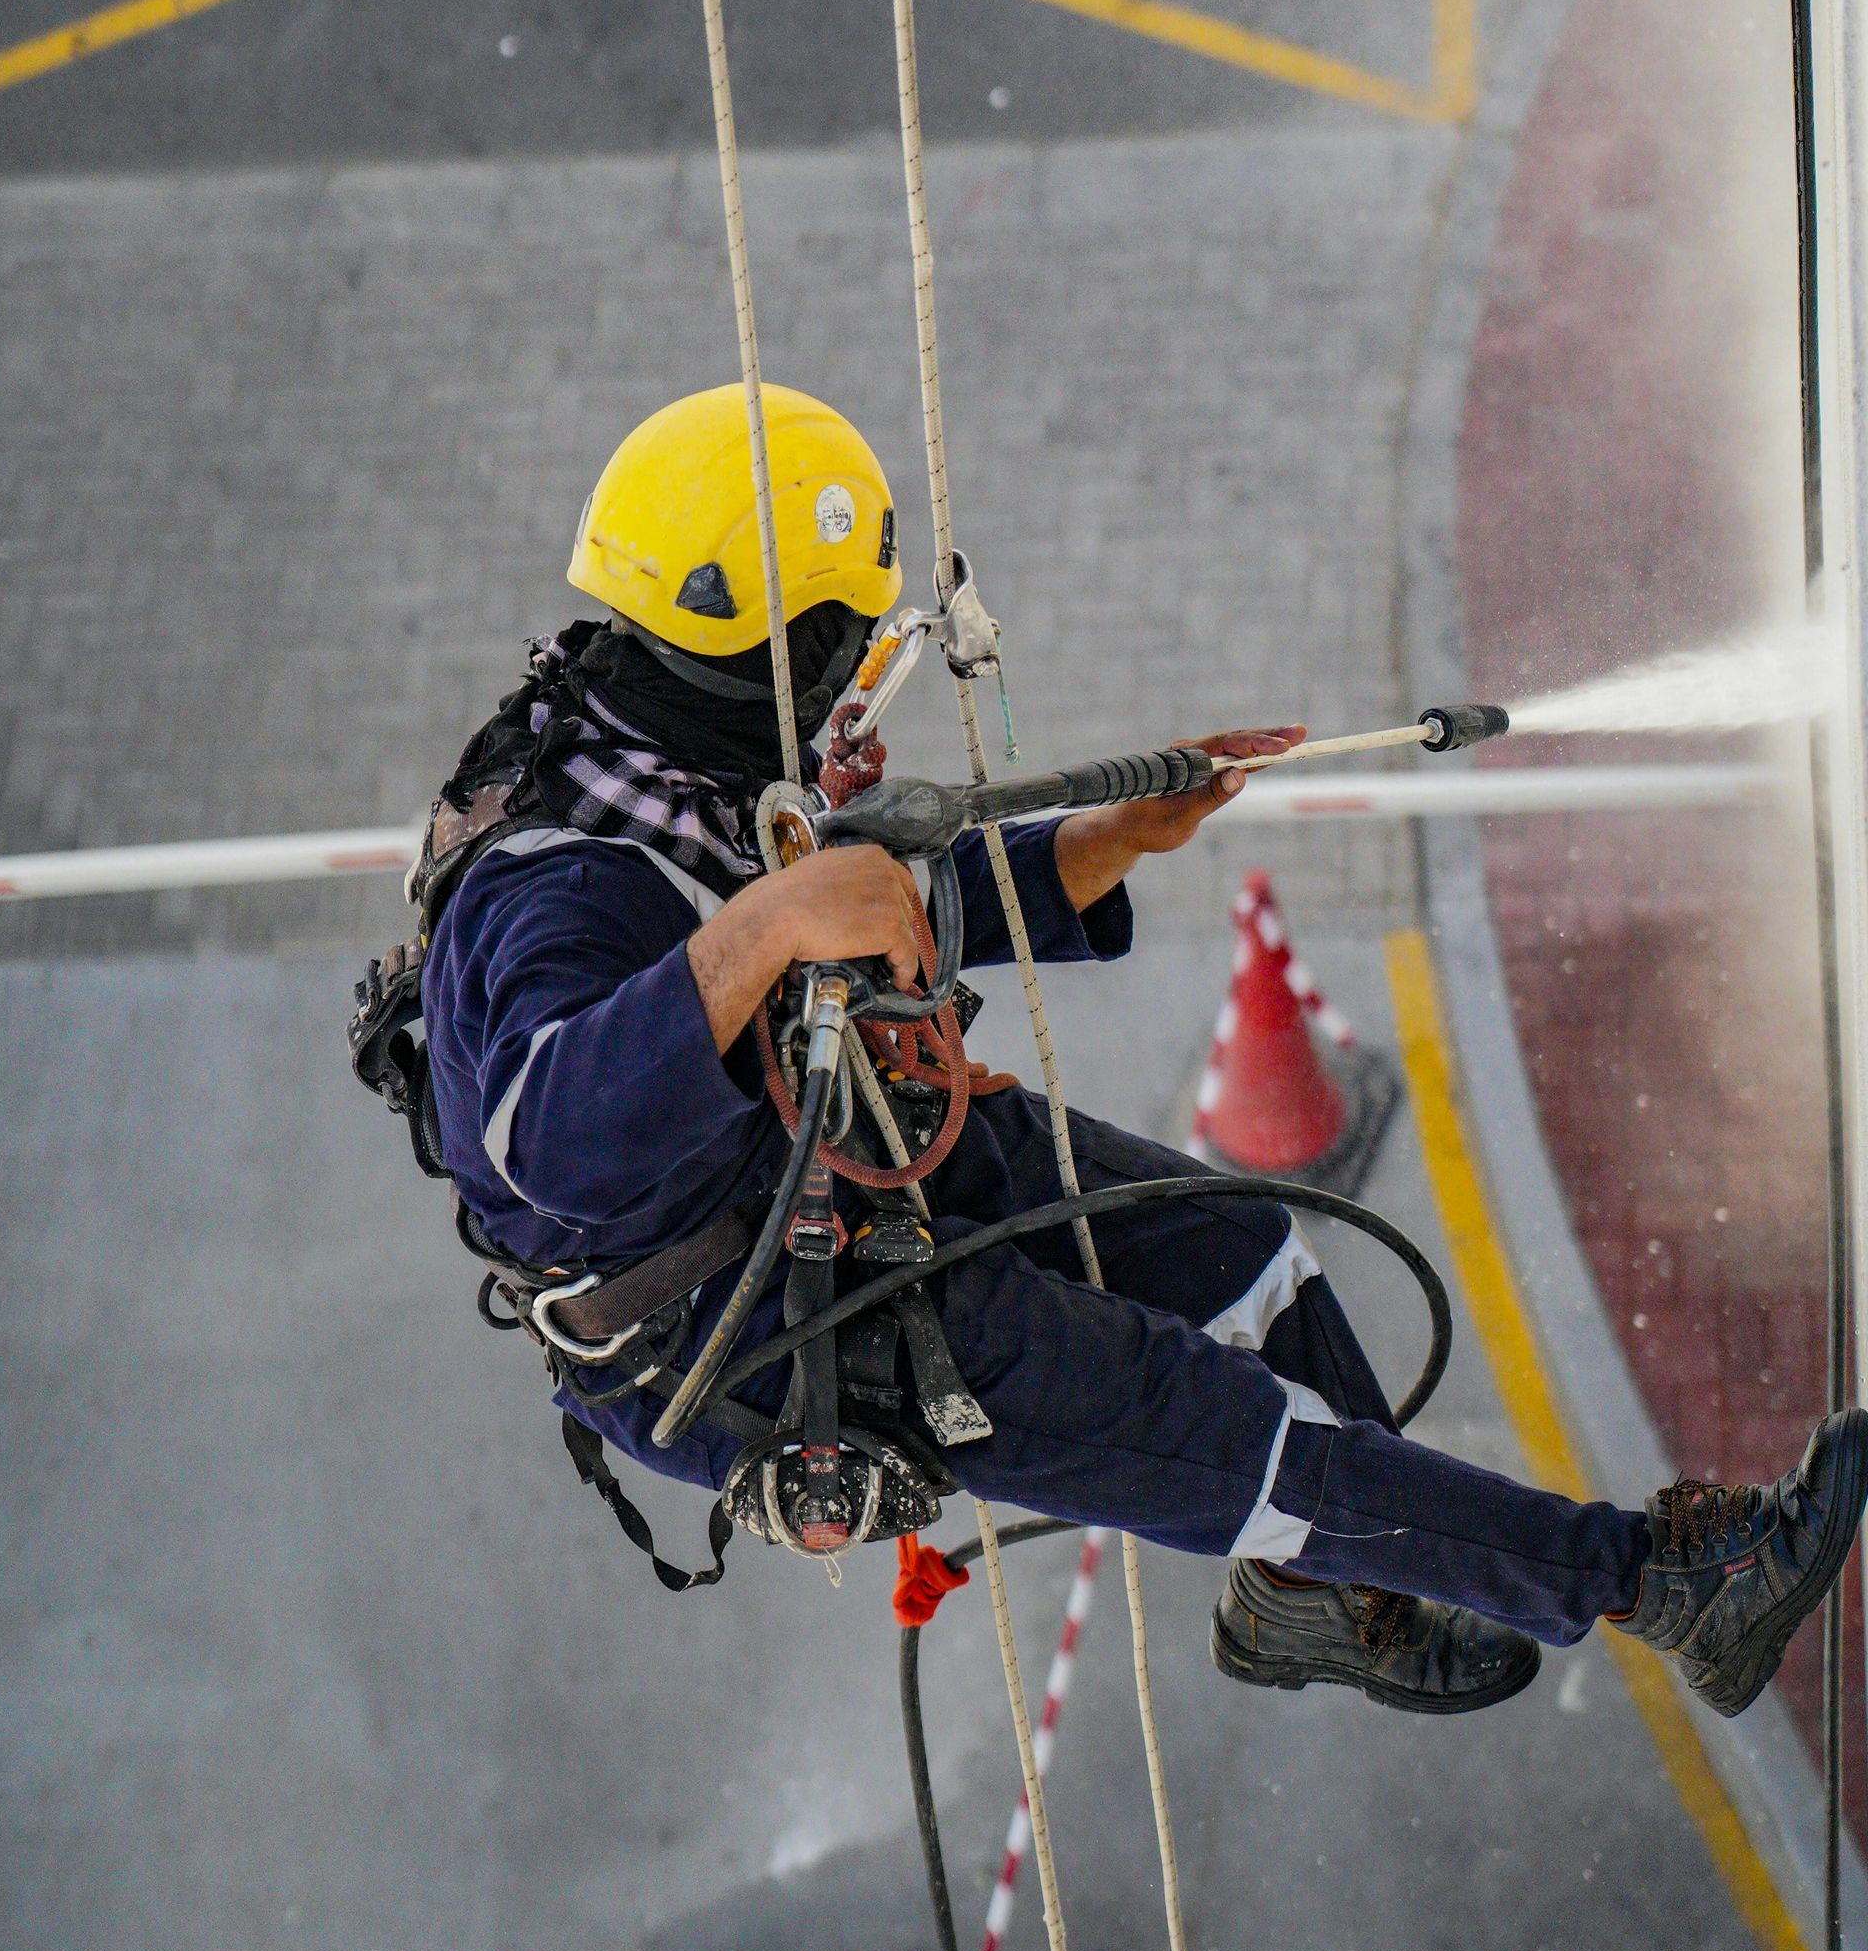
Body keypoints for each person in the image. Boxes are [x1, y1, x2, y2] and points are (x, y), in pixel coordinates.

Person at [419, 383, 1866, 1718]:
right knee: (1241, 1444)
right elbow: (551, 1139)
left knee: (1244, 1257)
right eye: (847, 647)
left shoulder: (670, 761)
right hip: (744, 1324)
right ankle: (1658, 1588)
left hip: (814, 1156)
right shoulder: (563, 883)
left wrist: (1106, 841)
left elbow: (867, 912)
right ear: (778, 647)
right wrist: (768, 927)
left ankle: (1322, 1600)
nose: (862, 682)